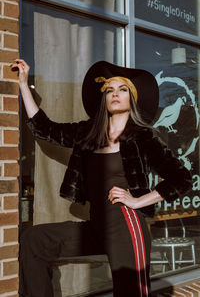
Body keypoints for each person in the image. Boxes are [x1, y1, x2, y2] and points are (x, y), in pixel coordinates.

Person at [12, 59, 192, 297]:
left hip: (126, 226)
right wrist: (24, 84)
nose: (115, 94)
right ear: (103, 99)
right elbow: (45, 129)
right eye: (109, 90)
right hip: (97, 224)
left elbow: (181, 178)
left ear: (132, 99)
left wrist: (138, 201)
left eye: (123, 89)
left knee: (130, 292)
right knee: (35, 239)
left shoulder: (142, 138)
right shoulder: (88, 133)